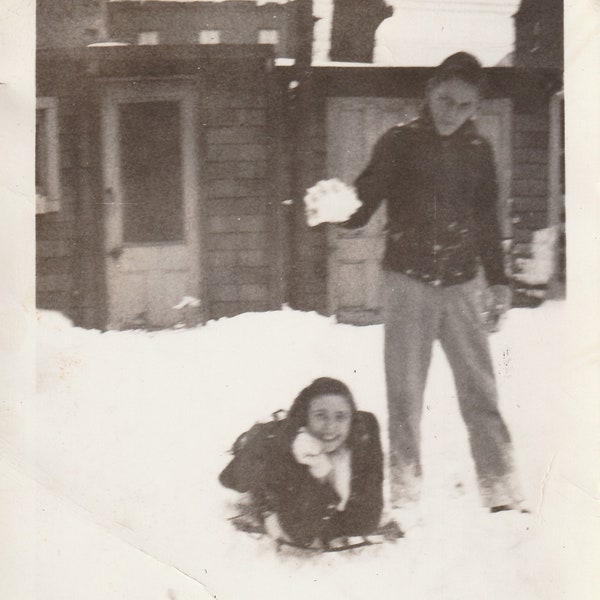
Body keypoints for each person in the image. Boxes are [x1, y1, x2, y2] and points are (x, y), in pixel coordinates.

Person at [340, 52, 524, 526]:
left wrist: (499, 282)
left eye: (464, 106)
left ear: (475, 108)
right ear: (429, 91)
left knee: (480, 390)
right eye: (445, 99)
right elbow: (364, 202)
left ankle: (501, 487)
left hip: (462, 284)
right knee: (404, 393)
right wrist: (338, 207)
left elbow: (486, 220)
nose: (451, 112)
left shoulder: (479, 150)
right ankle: (405, 492)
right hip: (408, 283)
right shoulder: (398, 142)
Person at [221, 377, 386, 549]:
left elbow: (367, 519)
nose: (330, 426)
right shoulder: (289, 445)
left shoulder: (365, 429)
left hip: (285, 449)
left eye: (341, 417)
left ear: (352, 418)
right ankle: (248, 439)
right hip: (263, 457)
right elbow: (301, 533)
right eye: (320, 415)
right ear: (306, 416)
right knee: (258, 462)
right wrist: (319, 471)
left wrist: (332, 526)